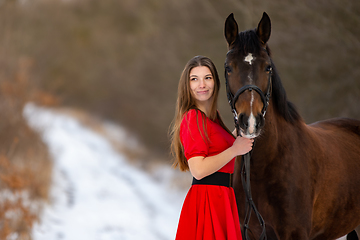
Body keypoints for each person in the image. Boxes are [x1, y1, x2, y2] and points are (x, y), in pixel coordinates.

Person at [169, 55, 254, 240]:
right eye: (194, 79)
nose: (202, 84)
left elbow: (217, 149)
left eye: (207, 77)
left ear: (215, 81)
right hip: (207, 201)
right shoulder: (193, 117)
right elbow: (198, 170)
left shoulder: (211, 117)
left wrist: (241, 130)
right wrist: (234, 149)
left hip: (222, 198)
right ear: (187, 85)